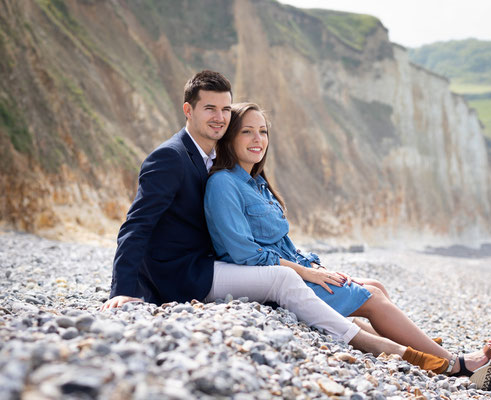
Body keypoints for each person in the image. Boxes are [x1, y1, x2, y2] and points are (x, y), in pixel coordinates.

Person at [100, 70, 455, 366]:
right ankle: (385, 347)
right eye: (210, 108)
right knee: (284, 280)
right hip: (182, 274)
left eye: (225, 108)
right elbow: (137, 225)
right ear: (187, 110)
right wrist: (126, 291)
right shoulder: (170, 158)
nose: (219, 117)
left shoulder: (215, 164)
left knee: (370, 288)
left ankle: (417, 350)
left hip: (213, 262)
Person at [203, 102, 491, 390]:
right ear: (230, 137)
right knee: (370, 297)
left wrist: (314, 266)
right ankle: (456, 365)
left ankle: (423, 352)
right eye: (247, 131)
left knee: (374, 285)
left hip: (294, 269)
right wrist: (307, 274)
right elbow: (245, 253)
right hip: (268, 283)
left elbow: (283, 243)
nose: (258, 139)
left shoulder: (256, 182)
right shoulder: (223, 184)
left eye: (263, 131)